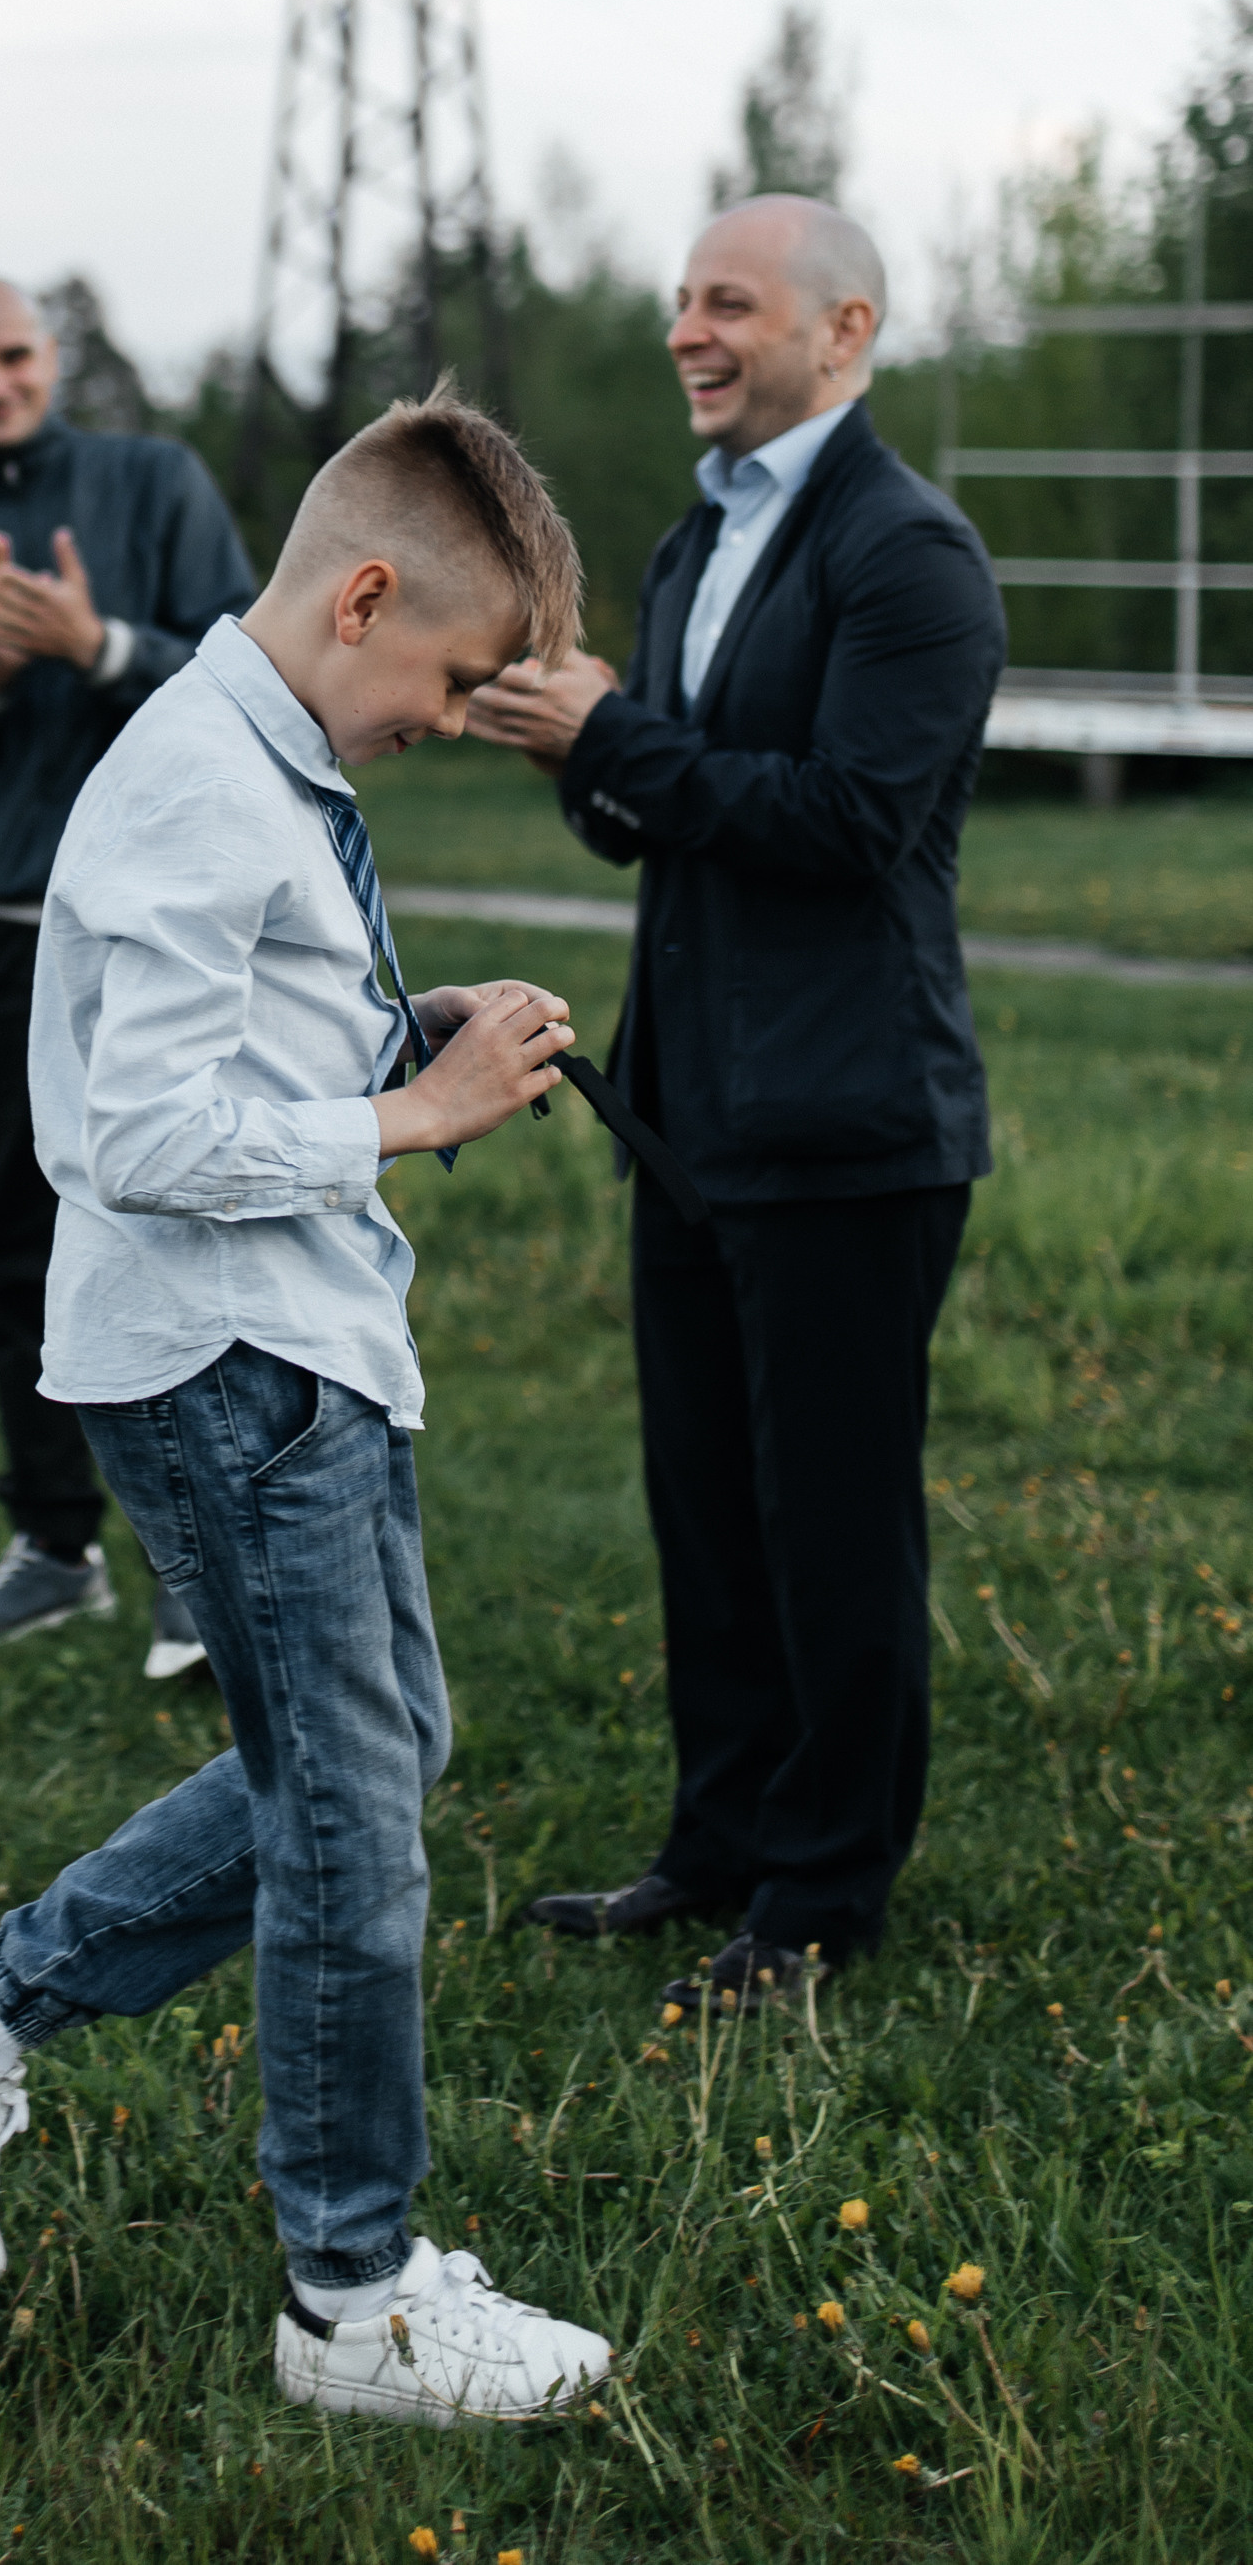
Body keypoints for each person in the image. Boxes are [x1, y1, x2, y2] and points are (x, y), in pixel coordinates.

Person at [0, 389, 617, 2430]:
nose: (452, 720)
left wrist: (398, 1027)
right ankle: (348, 2299)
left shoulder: (254, 764)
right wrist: (407, 1110)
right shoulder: (197, 782)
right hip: (232, 1361)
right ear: (360, 593)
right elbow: (134, 1125)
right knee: (355, 1829)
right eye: (449, 674)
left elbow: (234, 1031)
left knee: (377, 1758)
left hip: (283, 1337)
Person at [464, 195, 1005, 2012]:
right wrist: (578, 752)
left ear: (842, 333)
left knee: (829, 1525)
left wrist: (612, 740)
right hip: (690, 1117)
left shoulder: (907, 556)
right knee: (704, 1504)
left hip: (848, 1126)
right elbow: (659, 813)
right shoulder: (697, 540)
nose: (689, 332)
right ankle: (714, 1851)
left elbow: (850, 826)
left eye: (731, 304)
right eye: (680, 302)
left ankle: (823, 1899)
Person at [0, 276, 256, 1670]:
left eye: (12, 354)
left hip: (165, 930)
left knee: (178, 1227)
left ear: (52, 358)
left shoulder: (155, 484)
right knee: (18, 1242)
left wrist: (98, 650)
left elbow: (256, 678)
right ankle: (52, 1543)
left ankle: (196, 1557)